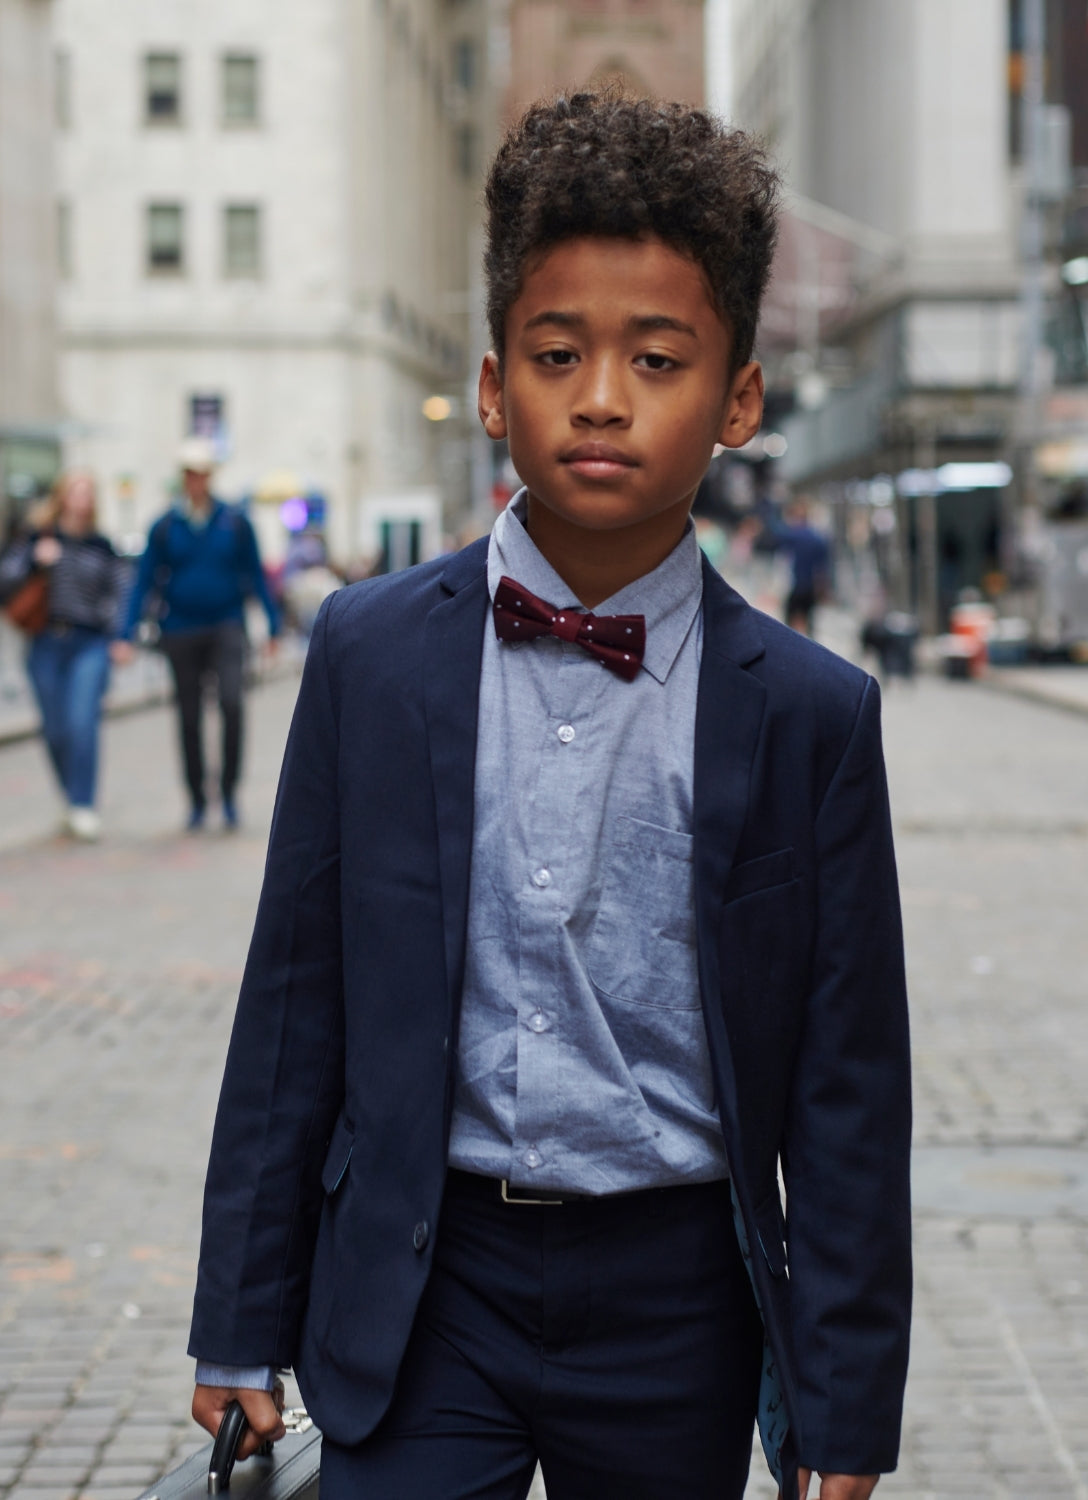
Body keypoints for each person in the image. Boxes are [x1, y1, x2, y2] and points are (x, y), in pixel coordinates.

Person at [187, 94, 911, 1500]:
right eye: (558, 353)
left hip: (676, 1299)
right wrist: (237, 1319)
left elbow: (847, 1092)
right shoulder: (370, 655)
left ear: (741, 399)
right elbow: (294, 1008)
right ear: (490, 383)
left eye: (656, 359)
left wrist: (843, 1410)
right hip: (420, 1277)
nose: (599, 397)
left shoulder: (816, 716)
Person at [113, 437, 280, 831]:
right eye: (190, 474)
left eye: (202, 474)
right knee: (188, 716)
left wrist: (272, 625)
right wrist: (126, 632)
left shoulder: (235, 523)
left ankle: (229, 791)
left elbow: (255, 574)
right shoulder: (165, 526)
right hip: (181, 629)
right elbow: (144, 582)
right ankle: (196, 798)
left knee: (232, 704)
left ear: (210, 476)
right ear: (182, 477)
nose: (196, 481)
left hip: (227, 625)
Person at [0, 472, 127, 840]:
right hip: (45, 643)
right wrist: (35, 563)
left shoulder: (101, 545)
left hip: (89, 642)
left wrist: (119, 634)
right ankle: (70, 798)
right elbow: (6, 582)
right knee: (55, 730)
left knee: (81, 722)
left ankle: (84, 804)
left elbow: (121, 590)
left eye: (88, 492)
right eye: (76, 491)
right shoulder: (37, 538)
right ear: (62, 496)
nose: (82, 499)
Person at [770, 499, 832, 635]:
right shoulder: (818, 538)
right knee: (809, 622)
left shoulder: (791, 536)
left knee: (789, 624)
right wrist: (823, 589)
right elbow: (823, 568)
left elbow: (774, 537)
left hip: (795, 585)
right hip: (810, 587)